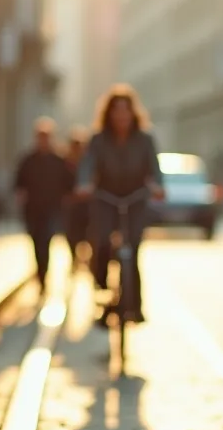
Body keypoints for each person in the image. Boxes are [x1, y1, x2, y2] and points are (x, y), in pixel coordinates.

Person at [75, 84, 165, 326]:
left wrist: (157, 186)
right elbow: (87, 165)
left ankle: (135, 306)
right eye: (117, 111)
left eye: (125, 111)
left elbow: (155, 170)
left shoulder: (145, 139)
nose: (121, 116)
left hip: (135, 199)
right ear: (109, 114)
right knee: (102, 243)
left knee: (133, 248)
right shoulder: (98, 139)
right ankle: (103, 292)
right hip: (106, 198)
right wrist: (85, 184)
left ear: (132, 113)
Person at [13, 117, 69, 293]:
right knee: (36, 241)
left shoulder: (58, 160)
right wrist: (21, 194)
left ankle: (44, 275)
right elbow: (18, 182)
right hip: (32, 209)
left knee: (47, 240)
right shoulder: (28, 160)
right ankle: (40, 273)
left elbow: (68, 183)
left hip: (52, 208)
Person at [62, 126, 92, 269]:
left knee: (89, 234)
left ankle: (87, 259)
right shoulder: (64, 163)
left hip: (88, 206)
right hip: (71, 206)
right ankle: (75, 258)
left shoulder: (89, 163)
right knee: (71, 235)